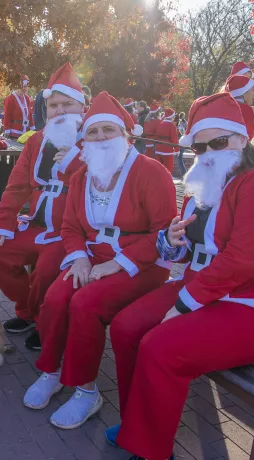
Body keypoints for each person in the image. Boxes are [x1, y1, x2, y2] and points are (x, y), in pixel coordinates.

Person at [105, 92, 254, 460]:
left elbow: (240, 261)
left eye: (217, 142)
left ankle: (150, 447)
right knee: (125, 327)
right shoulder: (202, 184)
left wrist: (182, 306)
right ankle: (140, 422)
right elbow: (187, 250)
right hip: (207, 291)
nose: (207, 153)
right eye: (199, 147)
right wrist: (170, 241)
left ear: (242, 140)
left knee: (161, 345)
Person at [22, 92, 174, 429]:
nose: (101, 137)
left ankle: (87, 390)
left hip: (141, 264)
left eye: (109, 130)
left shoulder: (152, 173)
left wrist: (117, 264)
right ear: (84, 138)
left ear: (126, 136)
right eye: (93, 132)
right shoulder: (81, 176)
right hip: (90, 258)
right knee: (56, 297)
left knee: (86, 304)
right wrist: (77, 258)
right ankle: (53, 370)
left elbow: (163, 233)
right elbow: (71, 226)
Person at [0, 62, 87, 349]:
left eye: (68, 104)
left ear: (82, 107)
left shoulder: (95, 139)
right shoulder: (36, 141)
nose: (60, 111)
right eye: (53, 105)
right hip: (37, 223)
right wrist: (1, 223)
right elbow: (16, 187)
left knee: (47, 267)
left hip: (72, 232)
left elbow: (102, 185)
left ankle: (47, 321)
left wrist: (76, 161)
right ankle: (29, 311)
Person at [224, 74, 254, 139]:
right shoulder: (246, 109)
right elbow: (249, 136)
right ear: (244, 92)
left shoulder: (224, 106)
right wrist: (252, 120)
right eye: (253, 90)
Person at [3, 74, 35, 139]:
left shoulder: (27, 98)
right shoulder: (10, 99)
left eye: (26, 86)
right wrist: (7, 131)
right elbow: (7, 116)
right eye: (23, 86)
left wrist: (32, 128)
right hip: (14, 133)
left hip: (26, 132)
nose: (25, 88)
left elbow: (30, 114)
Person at [154, 108, 179, 174]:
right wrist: (177, 149)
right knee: (168, 169)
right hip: (167, 150)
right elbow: (174, 139)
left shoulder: (160, 124)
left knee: (158, 168)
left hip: (158, 148)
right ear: (172, 117)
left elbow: (156, 136)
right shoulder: (172, 126)